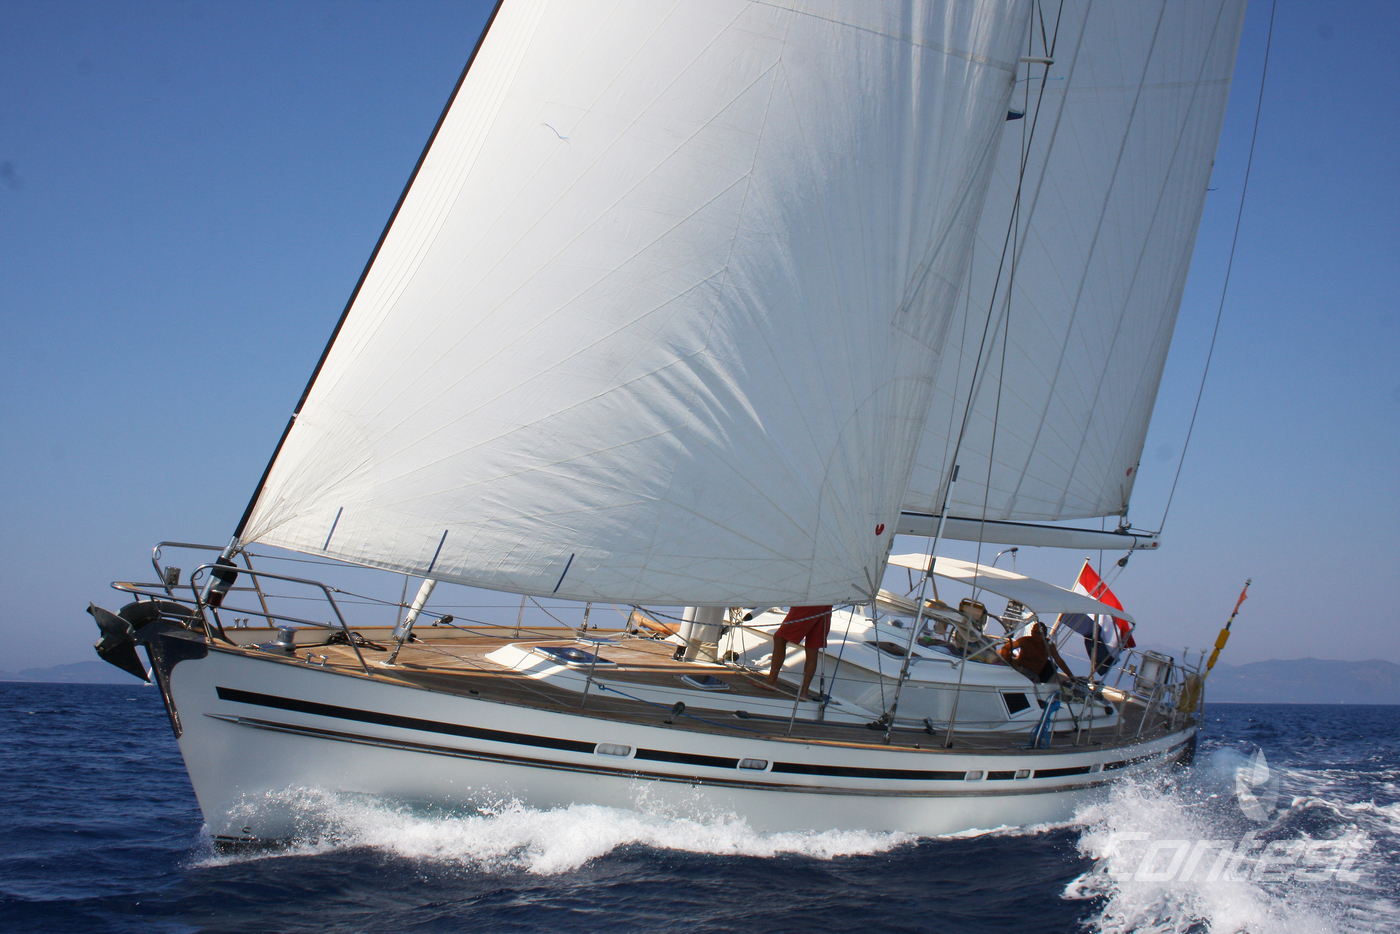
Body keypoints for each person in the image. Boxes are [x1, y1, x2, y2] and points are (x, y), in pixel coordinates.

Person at [763, 605, 833, 701]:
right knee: (812, 648)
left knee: (780, 639)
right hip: (826, 605)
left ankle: (771, 681)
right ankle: (804, 692)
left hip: (809, 604)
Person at [997, 620, 1074, 684]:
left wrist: (1071, 676)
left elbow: (1059, 661)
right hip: (1017, 667)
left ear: (1045, 634)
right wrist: (1007, 664)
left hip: (1031, 674)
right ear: (1032, 632)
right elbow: (1006, 648)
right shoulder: (1025, 640)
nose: (1036, 635)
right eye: (1035, 632)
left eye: (1039, 633)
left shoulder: (1049, 645)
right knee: (999, 654)